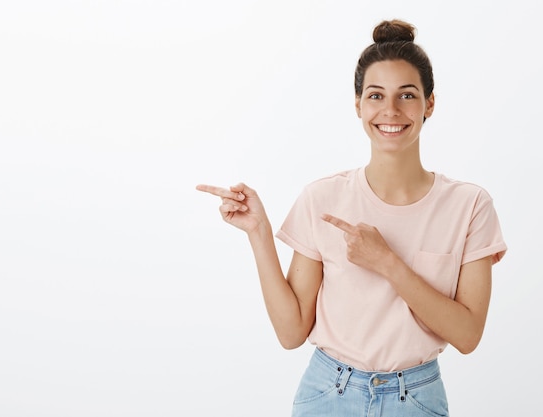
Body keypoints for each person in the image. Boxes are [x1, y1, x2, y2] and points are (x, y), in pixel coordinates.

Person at [196, 19, 507, 417]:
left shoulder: (470, 206)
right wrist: (258, 232)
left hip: (415, 399)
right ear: (358, 104)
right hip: (327, 394)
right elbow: (292, 333)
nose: (390, 110)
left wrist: (388, 263)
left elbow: (467, 336)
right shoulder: (323, 197)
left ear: (429, 103)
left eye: (407, 95)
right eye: (376, 95)